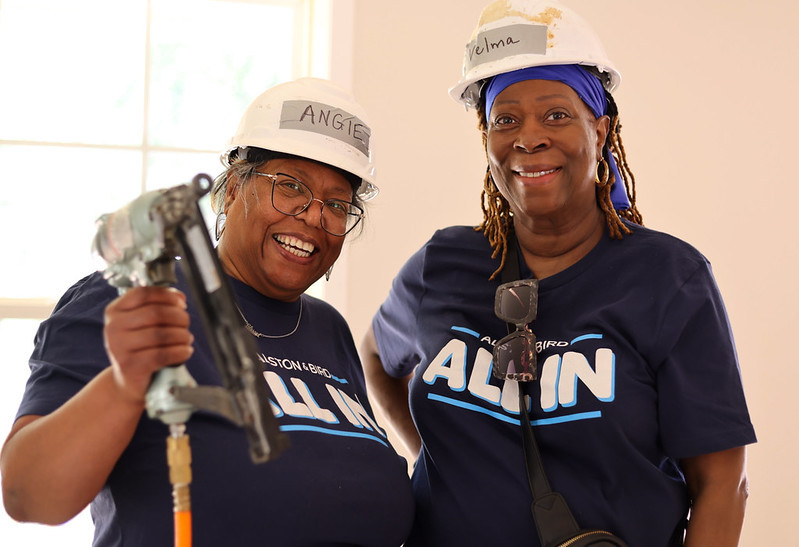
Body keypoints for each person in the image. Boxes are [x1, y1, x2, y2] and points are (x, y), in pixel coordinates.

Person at [360, 2, 756, 546]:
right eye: (506, 119)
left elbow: (722, 485)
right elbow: (378, 358)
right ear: (488, 140)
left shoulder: (669, 280)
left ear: (601, 128)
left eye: (556, 115)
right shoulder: (442, 265)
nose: (529, 138)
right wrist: (438, 457)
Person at [1, 77, 414, 546]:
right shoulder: (136, 298)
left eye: (337, 204)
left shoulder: (327, 330)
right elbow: (27, 494)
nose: (313, 215)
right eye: (289, 185)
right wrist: (124, 382)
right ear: (233, 189)